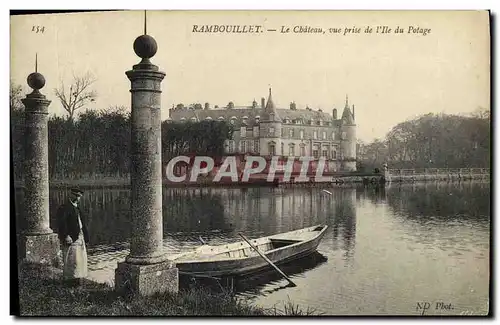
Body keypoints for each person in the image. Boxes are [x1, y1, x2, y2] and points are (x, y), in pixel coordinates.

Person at [55, 188, 89, 286]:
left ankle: (78, 280)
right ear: (71, 195)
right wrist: (65, 235)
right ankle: (69, 282)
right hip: (71, 238)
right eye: (76, 196)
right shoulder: (64, 208)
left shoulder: (78, 207)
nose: (78, 198)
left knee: (80, 260)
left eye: (79, 196)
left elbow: (83, 223)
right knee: (70, 259)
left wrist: (86, 238)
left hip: (80, 237)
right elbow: (61, 224)